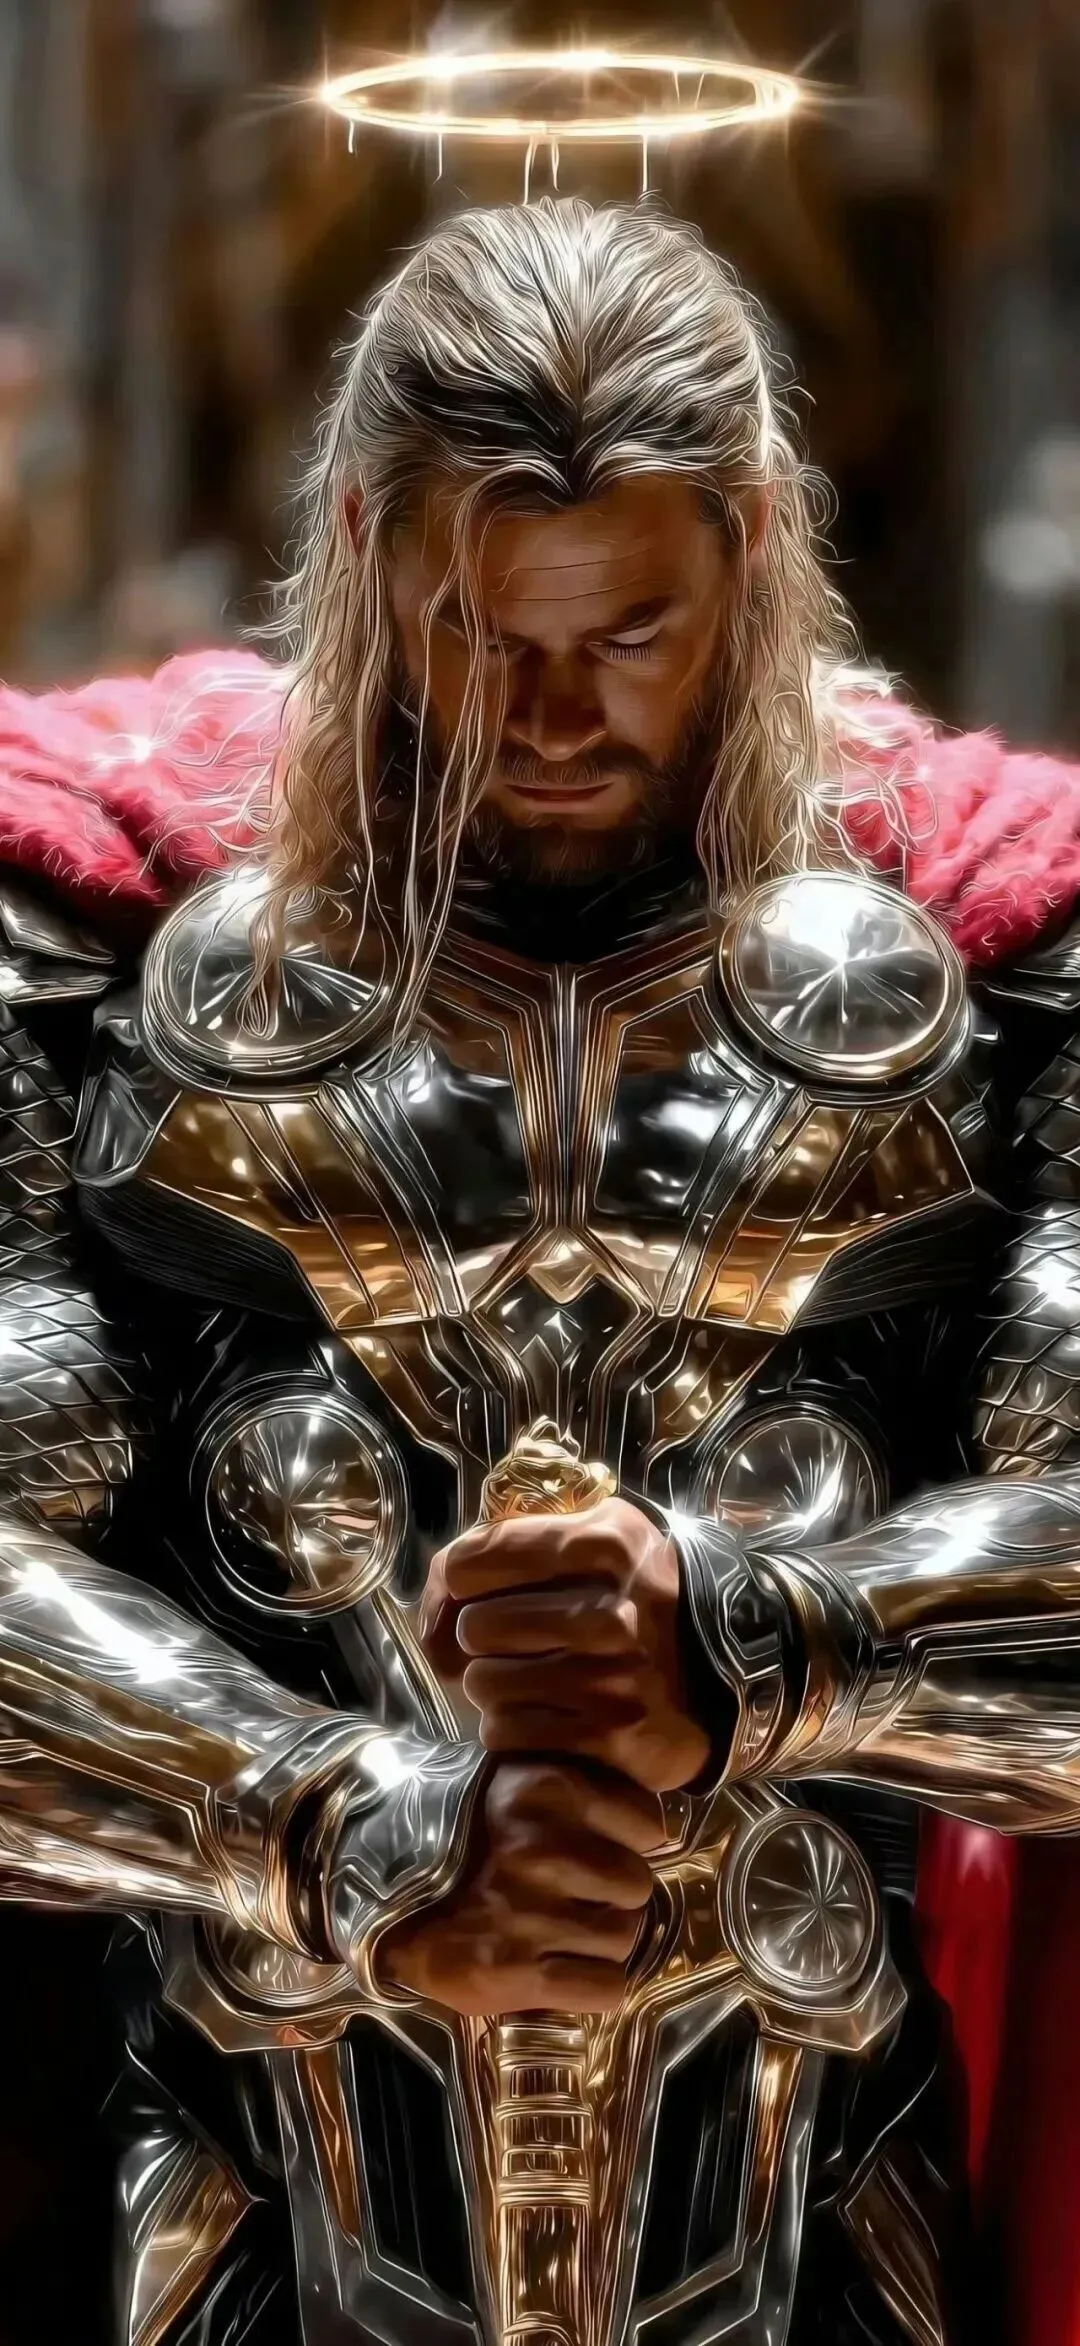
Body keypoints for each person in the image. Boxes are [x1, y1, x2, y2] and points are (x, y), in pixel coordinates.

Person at [1, 196, 1080, 2346]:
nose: (556, 715)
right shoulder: (84, 952)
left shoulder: (1006, 962)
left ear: (752, 557)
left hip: (823, 2213)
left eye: (634, 635)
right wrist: (342, 1831)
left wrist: (767, 1642)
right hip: (239, 2217)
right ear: (365, 554)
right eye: (481, 633)